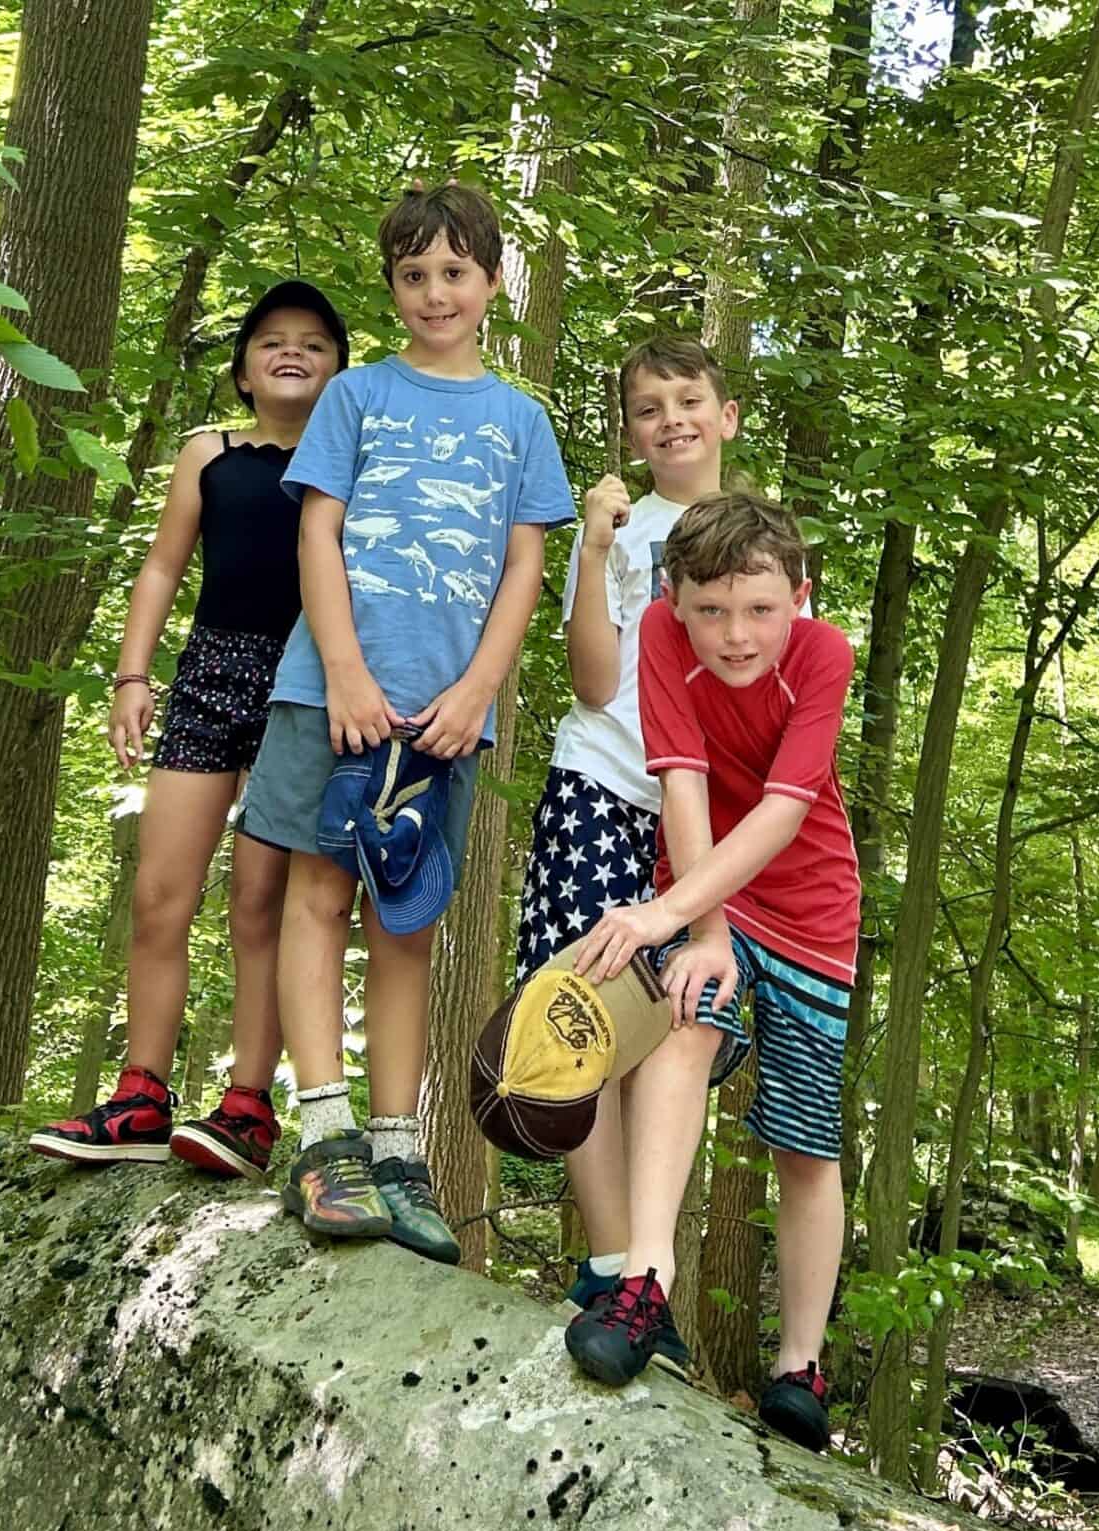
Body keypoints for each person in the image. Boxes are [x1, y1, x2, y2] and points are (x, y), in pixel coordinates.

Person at [240, 183, 572, 1257]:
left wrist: (480, 688)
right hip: (329, 695)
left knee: (406, 917)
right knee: (318, 893)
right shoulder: (357, 399)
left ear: (490, 284)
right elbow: (318, 534)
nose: (435, 293)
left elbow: (525, 563)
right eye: (413, 275)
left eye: (454, 273)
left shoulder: (522, 421)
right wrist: (340, 669)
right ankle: (325, 1138)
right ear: (392, 287)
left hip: (442, 713)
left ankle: (397, 1149)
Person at [32, 280, 347, 1175]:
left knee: (261, 902)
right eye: (273, 340)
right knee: (160, 893)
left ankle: (249, 1105)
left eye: (315, 343)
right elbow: (164, 566)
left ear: (338, 372)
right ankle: (142, 1092)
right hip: (211, 671)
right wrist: (133, 676)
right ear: (244, 369)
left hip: (307, 682)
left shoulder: (350, 459)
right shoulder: (207, 453)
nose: (293, 351)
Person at [568, 494, 859, 1453]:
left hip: (814, 909)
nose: (736, 636)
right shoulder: (657, 632)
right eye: (712, 611)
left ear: (800, 600)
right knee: (684, 1026)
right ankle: (645, 1285)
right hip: (703, 888)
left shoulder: (825, 657)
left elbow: (781, 812)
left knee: (807, 1142)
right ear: (675, 599)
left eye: (761, 611)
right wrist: (702, 931)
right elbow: (682, 783)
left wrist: (666, 912)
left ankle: (801, 1366)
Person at [518, 337, 740, 1313]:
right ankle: (609, 1268)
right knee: (579, 1019)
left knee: (673, 1034)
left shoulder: (760, 538)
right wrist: (599, 549)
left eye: (689, 399)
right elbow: (595, 682)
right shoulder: (613, 528)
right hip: (600, 790)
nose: (671, 419)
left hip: (703, 817)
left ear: (726, 416)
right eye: (648, 408)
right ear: (631, 432)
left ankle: (646, 1262)